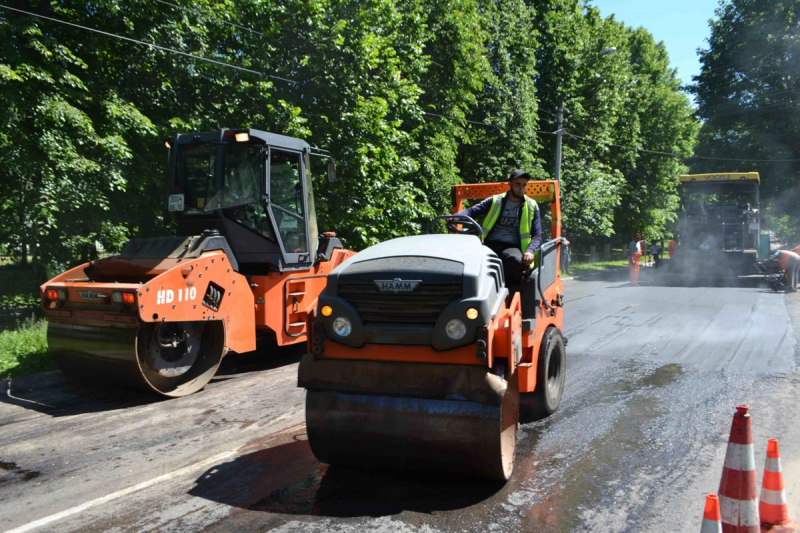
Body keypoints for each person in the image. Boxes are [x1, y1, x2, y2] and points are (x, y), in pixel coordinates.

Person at [456, 169, 542, 285]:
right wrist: (455, 217)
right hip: (489, 244)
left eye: (524, 185)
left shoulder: (531, 205)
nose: (521, 188)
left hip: (512, 246)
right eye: (517, 184)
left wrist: (529, 251)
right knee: (471, 260)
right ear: (510, 184)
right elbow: (471, 211)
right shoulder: (495, 201)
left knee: (515, 261)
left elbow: (537, 234)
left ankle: (506, 290)